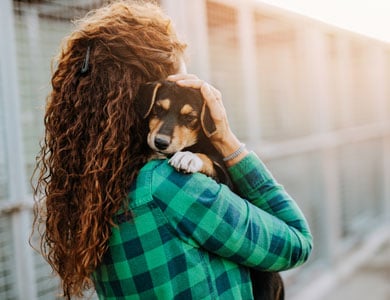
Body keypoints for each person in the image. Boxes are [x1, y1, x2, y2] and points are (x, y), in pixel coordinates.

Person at [31, 1, 313, 299]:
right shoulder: (171, 187)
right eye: (183, 77)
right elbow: (297, 243)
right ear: (142, 97)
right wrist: (227, 141)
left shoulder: (91, 190)